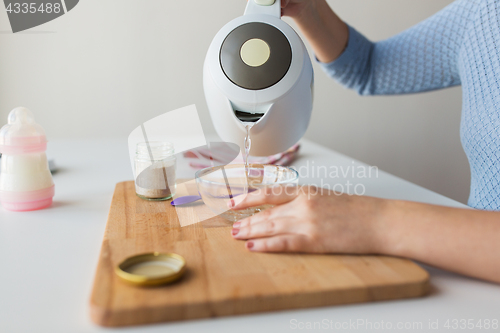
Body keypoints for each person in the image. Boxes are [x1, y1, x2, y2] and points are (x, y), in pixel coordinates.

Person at [229, 0, 500, 284]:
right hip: (471, 284)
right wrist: (308, 7)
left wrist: (374, 220)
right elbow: (368, 66)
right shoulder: (486, 11)